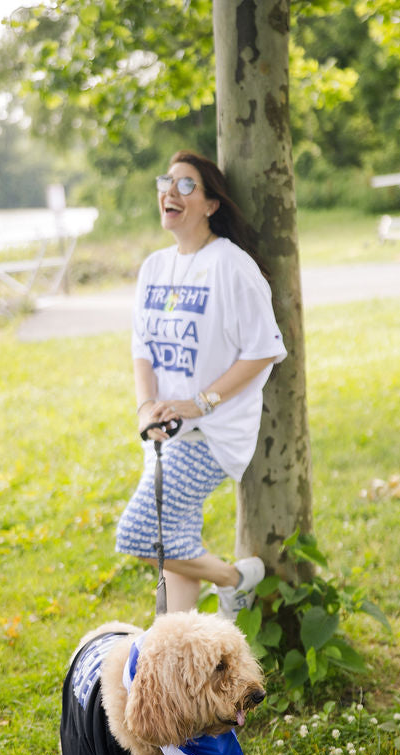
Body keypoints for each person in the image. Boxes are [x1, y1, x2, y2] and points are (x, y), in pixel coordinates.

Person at [115, 150, 286, 618]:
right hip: (165, 433)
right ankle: (184, 659)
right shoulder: (153, 268)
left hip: (212, 433)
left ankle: (237, 579)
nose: (170, 191)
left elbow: (264, 347)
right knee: (176, 547)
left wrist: (198, 404)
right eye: (165, 182)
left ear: (211, 204)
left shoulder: (231, 265)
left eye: (186, 184)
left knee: (138, 534)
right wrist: (145, 408)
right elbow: (142, 349)